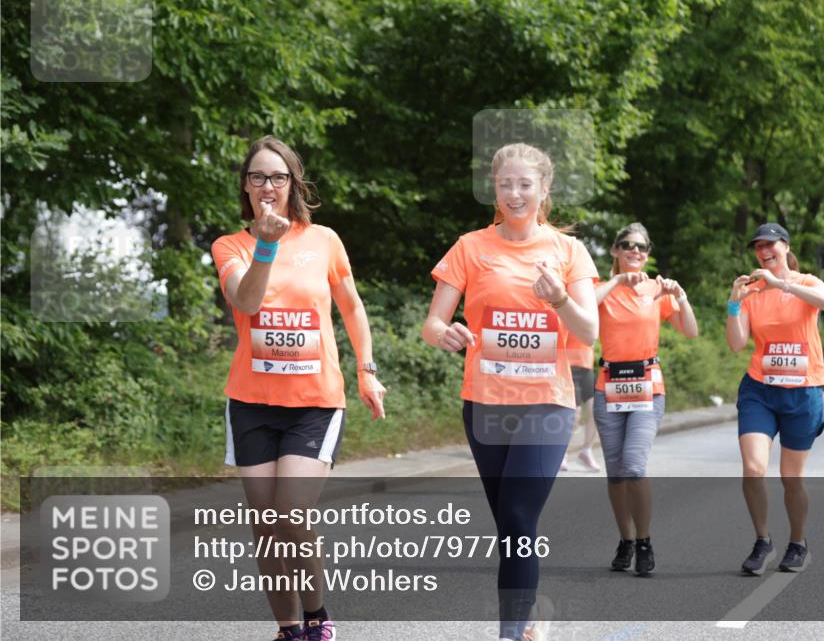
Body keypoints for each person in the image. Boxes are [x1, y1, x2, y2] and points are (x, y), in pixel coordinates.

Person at [211, 136, 387, 641]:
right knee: (266, 524)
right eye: (258, 177)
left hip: (315, 403)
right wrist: (265, 245)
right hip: (251, 404)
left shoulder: (324, 240)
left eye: (278, 177)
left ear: (293, 184)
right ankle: (288, 629)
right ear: (246, 186)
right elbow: (246, 302)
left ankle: (317, 616)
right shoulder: (230, 246)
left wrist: (366, 369)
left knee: (291, 513)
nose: (268, 186)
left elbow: (352, 307)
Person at [422, 142, 598, 641]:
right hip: (485, 404)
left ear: (544, 188)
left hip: (547, 403)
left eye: (525, 184)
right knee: (510, 526)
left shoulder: (569, 251)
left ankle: (511, 632)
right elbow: (433, 323)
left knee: (519, 518)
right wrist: (445, 334)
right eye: (505, 184)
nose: (515, 194)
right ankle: (530, 612)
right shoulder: (470, 247)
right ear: (493, 190)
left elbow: (588, 331)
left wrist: (559, 299)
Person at [591, 222, 698, 576]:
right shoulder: (601, 287)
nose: (635, 251)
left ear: (648, 253)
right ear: (616, 251)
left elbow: (690, 330)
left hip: (647, 386)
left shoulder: (657, 289)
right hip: (609, 386)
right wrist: (619, 281)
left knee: (634, 467)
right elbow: (584, 305)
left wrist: (680, 296)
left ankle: (644, 541)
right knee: (615, 474)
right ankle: (626, 539)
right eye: (627, 245)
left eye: (642, 247)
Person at [726, 223, 824, 575]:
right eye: (758, 246)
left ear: (785, 246)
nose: (763, 251)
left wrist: (781, 284)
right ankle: (763, 540)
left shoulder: (807, 282)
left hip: (803, 391)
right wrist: (734, 302)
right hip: (760, 389)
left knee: (791, 478)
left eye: (769, 244)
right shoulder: (753, 292)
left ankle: (798, 542)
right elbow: (737, 343)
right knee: (753, 468)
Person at [561, 332, 602, 472]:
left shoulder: (593, 316)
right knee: (575, 415)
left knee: (597, 410)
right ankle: (562, 453)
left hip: (586, 366)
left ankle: (586, 451)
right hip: (568, 366)